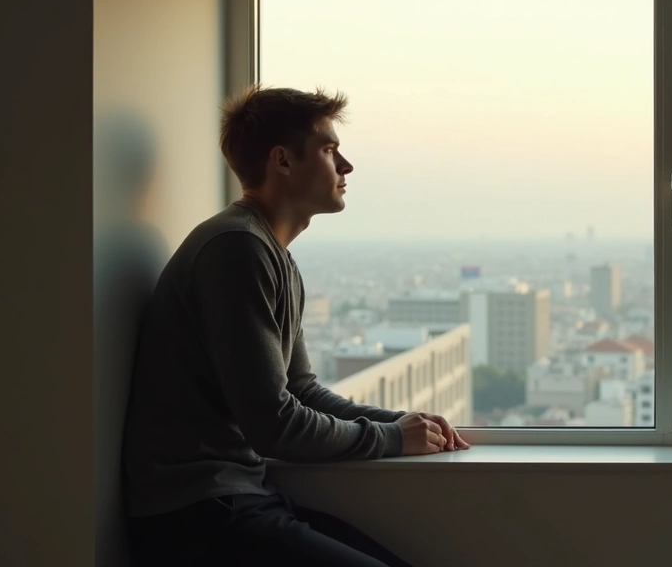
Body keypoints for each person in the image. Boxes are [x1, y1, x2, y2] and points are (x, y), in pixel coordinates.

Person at [122, 85, 469, 567]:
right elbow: (275, 425)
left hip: (235, 501)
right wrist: (390, 439)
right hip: (199, 517)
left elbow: (300, 388)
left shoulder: (269, 254)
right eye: (329, 150)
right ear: (282, 161)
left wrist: (403, 424)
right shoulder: (236, 250)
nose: (346, 166)